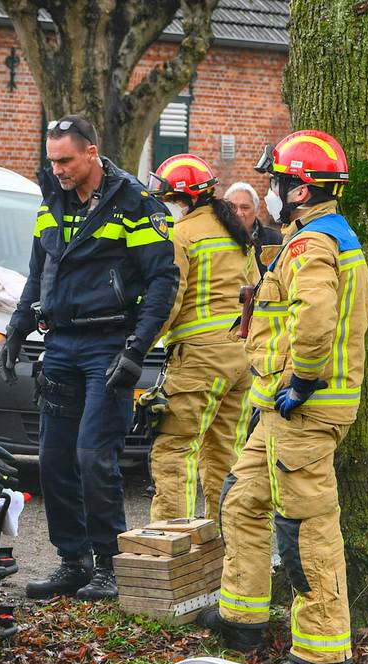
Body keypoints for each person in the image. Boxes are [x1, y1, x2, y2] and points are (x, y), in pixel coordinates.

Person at [198, 130, 368, 664]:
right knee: (242, 499)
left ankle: (322, 653)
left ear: (299, 191)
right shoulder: (313, 237)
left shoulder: (314, 245)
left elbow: (315, 319)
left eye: (276, 181)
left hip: (304, 410)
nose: (271, 190)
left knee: (306, 528)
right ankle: (241, 617)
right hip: (279, 409)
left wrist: (301, 381)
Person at [0, 115, 179, 601]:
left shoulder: (135, 203)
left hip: (109, 343)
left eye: (65, 160)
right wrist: (16, 328)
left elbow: (163, 282)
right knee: (54, 458)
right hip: (60, 344)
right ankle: (71, 560)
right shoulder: (51, 199)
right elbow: (39, 271)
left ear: (92, 154)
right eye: (51, 159)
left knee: (93, 456)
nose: (56, 168)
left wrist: (137, 349)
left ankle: (108, 564)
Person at [145, 155, 254, 524]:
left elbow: (168, 302)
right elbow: (255, 293)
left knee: (175, 451)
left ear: (185, 199)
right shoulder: (236, 232)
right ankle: (226, 546)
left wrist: (135, 346)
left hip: (198, 361)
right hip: (240, 360)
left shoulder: (181, 236)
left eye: (167, 199)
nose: (163, 206)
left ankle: (172, 545)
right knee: (226, 454)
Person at [224, 181, 282, 272]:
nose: (239, 213)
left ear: (256, 210)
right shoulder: (215, 239)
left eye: (245, 207)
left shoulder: (274, 240)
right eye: (232, 207)